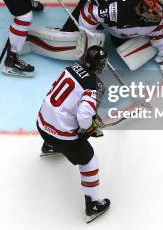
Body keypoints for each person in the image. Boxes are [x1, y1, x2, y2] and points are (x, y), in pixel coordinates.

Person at [37, 45, 111, 223]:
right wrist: (90, 128)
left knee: (57, 117)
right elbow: (84, 116)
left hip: (41, 124)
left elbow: (64, 95)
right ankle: (92, 205)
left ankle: (48, 147)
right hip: (61, 137)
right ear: (99, 65)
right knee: (90, 161)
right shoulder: (92, 85)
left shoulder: (70, 68)